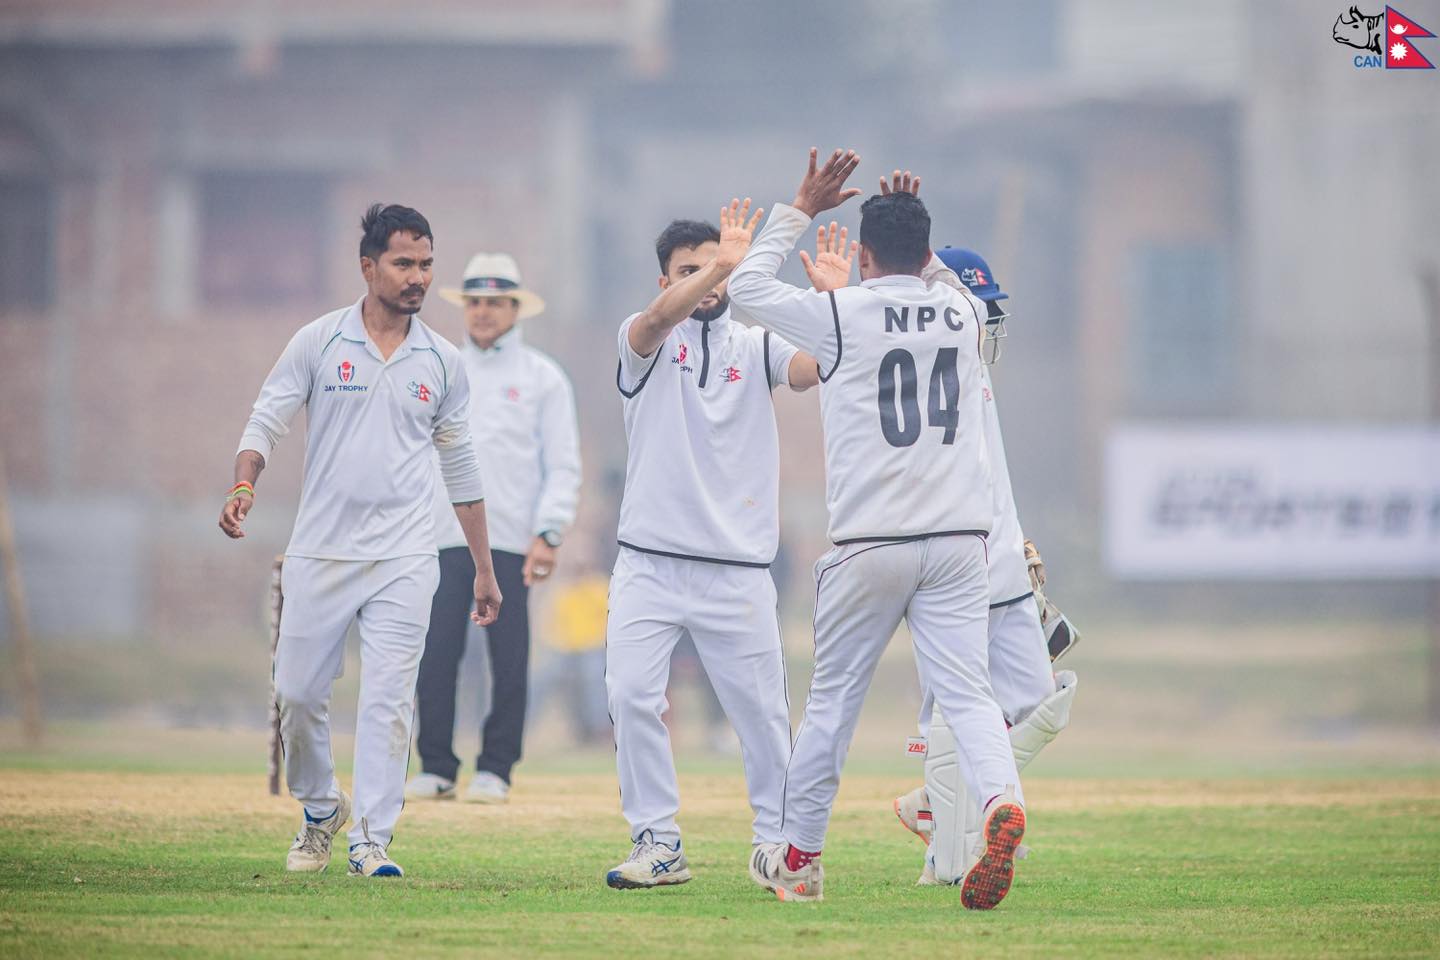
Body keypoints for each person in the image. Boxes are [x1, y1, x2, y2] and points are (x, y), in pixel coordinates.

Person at [730, 149, 1024, 909]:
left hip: (870, 544)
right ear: (926, 251)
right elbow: (942, 281)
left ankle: (799, 861)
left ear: (860, 256)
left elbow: (746, 286)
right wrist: (917, 242)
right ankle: (998, 804)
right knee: (969, 696)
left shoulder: (838, 313)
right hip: (961, 543)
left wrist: (802, 204)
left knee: (832, 707)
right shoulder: (959, 310)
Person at [219, 204, 502, 878]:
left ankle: (371, 839)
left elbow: (461, 468)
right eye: (404, 263)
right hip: (320, 551)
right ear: (368, 266)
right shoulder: (319, 342)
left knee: (387, 701)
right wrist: (243, 484)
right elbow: (267, 419)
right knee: (297, 695)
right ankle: (321, 809)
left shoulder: (443, 361)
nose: (418, 277)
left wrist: (485, 569)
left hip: (407, 556)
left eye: (427, 264)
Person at [603, 199, 820, 889]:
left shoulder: (755, 346)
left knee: (760, 718)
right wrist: (721, 265)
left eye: (715, 268)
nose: (706, 281)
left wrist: (835, 306)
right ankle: (658, 843)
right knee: (632, 696)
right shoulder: (644, 340)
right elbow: (659, 318)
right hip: (649, 564)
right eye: (686, 271)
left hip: (738, 572)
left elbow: (815, 367)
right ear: (664, 280)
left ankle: (777, 846)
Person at [883, 229, 1079, 887]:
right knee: (958, 710)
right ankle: (950, 850)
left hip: (1002, 567)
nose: (989, 325)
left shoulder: (975, 374)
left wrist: (1020, 548)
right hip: (953, 568)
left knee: (1044, 704)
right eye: (982, 310)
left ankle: (945, 806)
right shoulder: (932, 367)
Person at [406, 253, 581, 805]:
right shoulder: (440, 366)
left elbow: (563, 463)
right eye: (475, 302)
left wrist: (549, 532)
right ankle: (435, 764)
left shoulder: (542, 377)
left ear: (514, 309)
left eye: (495, 303)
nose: (483, 313)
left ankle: (497, 767)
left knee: (509, 658)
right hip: (439, 535)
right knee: (436, 654)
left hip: (510, 539)